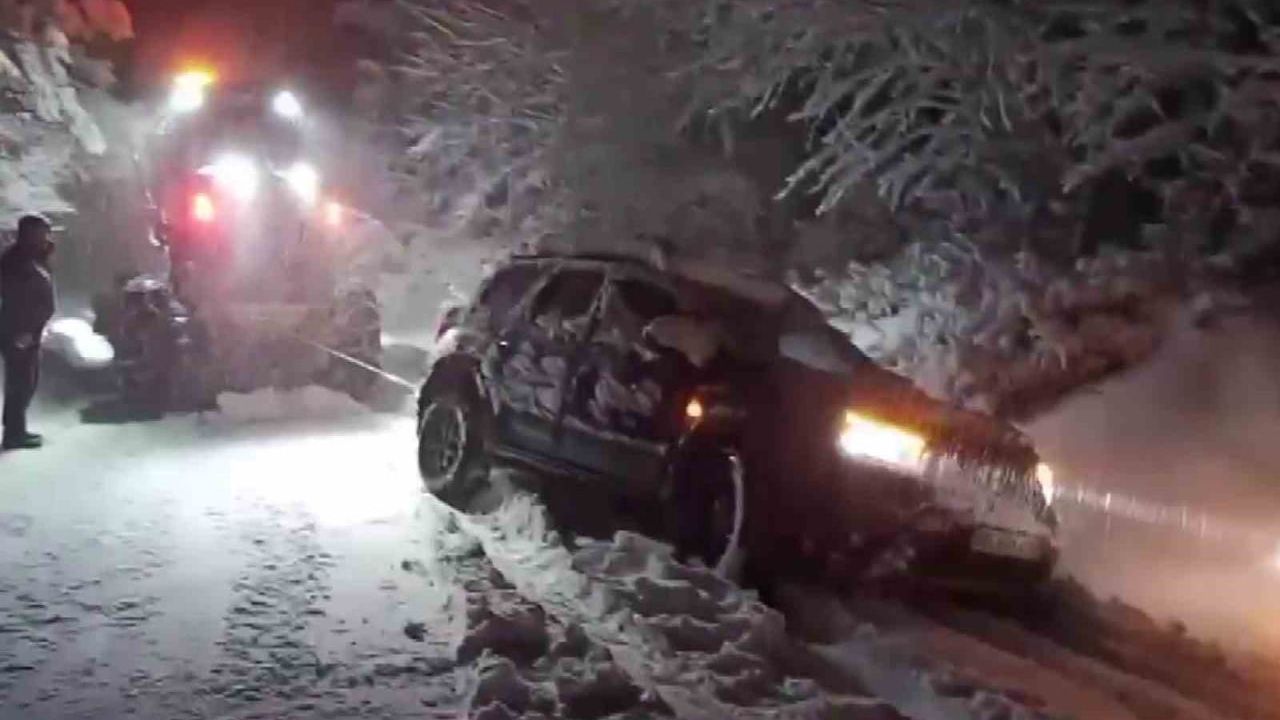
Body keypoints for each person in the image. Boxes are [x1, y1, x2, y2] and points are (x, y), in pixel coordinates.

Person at [0, 214, 57, 450]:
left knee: (26, 380)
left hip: (29, 330)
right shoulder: (14, 261)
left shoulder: (32, 258)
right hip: (18, 330)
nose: (46, 238)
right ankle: (13, 432)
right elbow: (15, 298)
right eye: (42, 233)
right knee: (21, 381)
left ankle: (16, 428)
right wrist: (21, 332)